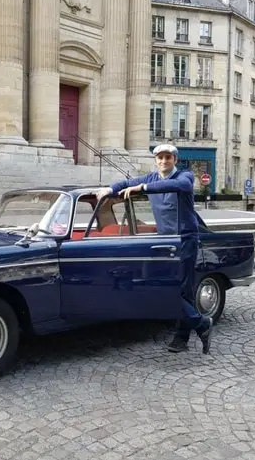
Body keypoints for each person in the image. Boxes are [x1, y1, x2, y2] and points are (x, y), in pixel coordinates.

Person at [96, 144, 213, 354]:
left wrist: (142, 189)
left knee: (180, 289)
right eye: (160, 158)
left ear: (175, 160)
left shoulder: (185, 176)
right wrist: (110, 189)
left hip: (185, 239)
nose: (163, 161)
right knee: (168, 288)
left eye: (168, 157)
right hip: (165, 240)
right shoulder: (151, 178)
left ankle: (186, 335)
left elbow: (180, 187)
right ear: (156, 160)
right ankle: (197, 328)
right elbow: (127, 182)